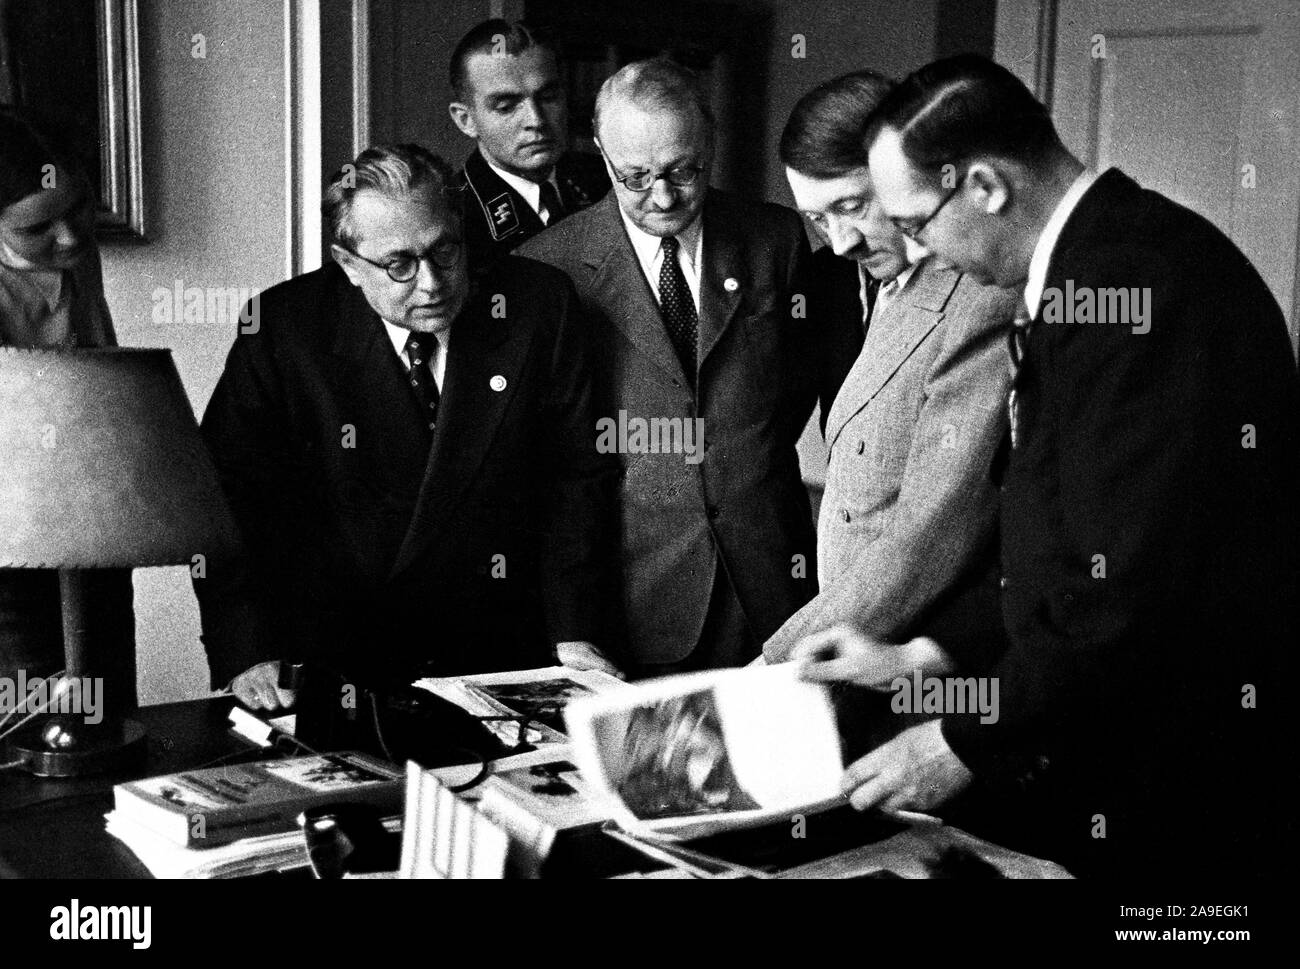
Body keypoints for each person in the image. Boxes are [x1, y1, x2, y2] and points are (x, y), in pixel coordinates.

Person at [800, 54, 1299, 878]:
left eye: (917, 223)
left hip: (1173, 777)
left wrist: (963, 737)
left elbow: (1124, 587)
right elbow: (1059, 538)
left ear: (987, 186)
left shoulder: (1137, 284)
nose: (917, 250)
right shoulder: (1098, 263)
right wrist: (925, 657)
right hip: (1103, 738)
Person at [194, 145, 618, 731]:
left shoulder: (537, 306)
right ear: (347, 262)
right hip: (338, 653)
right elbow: (224, 496)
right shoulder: (283, 330)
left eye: (445, 250)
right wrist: (248, 647)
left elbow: (576, 480)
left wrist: (575, 634)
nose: (432, 282)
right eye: (398, 264)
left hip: (498, 649)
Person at [521, 57, 829, 678]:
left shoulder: (779, 241)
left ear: (708, 144)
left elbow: (798, 394)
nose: (662, 196)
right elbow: (549, 458)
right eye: (634, 177)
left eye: (682, 171)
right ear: (602, 156)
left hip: (774, 586)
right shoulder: (548, 268)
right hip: (635, 595)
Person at [763, 71, 1016, 700]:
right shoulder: (890, 285)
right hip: (851, 650)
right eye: (817, 219)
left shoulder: (978, 290)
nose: (840, 241)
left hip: (925, 669)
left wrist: (772, 669)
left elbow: (929, 532)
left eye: (852, 206)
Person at [0, 106, 136, 710]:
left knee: (107, 713)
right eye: (37, 227)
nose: (71, 237)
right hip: (12, 548)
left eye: (78, 208)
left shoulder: (78, 255)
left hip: (93, 529)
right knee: (32, 727)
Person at [447, 19, 608, 275]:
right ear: (465, 120)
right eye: (506, 107)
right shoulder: (453, 217)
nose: (536, 120)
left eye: (548, 97)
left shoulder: (606, 179)